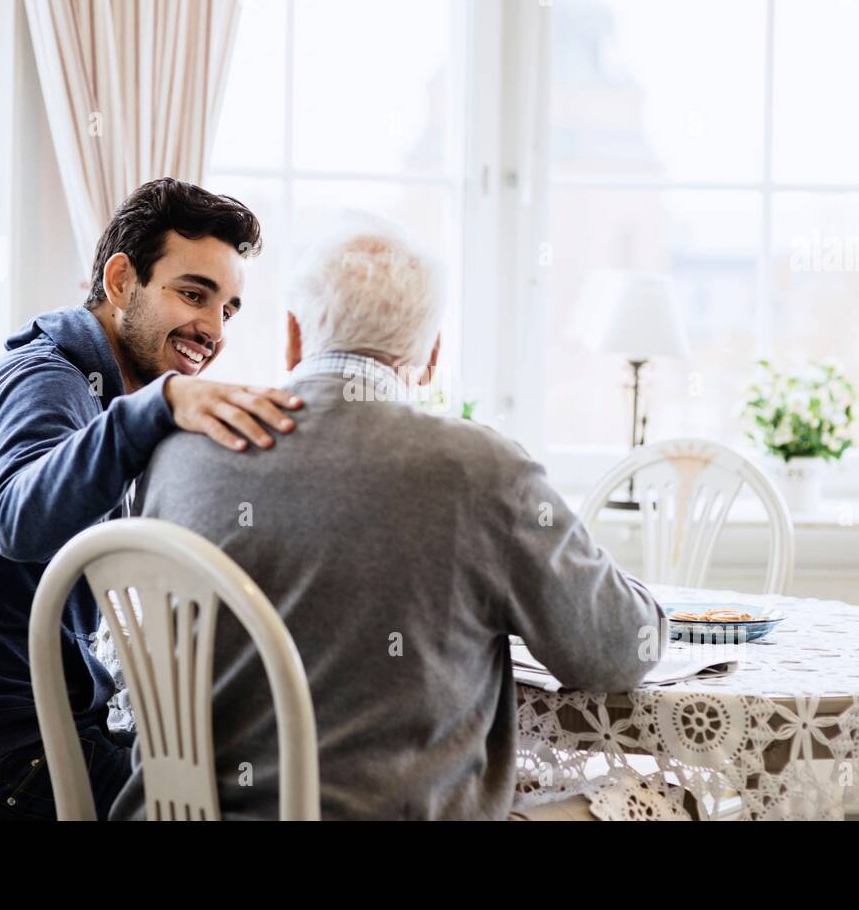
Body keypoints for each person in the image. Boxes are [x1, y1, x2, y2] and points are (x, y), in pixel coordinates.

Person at [110, 216, 663, 820]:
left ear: (293, 337)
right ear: (431, 356)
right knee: (658, 798)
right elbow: (615, 652)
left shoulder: (175, 450)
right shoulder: (482, 468)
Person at [0, 178, 302, 819]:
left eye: (228, 309)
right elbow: (17, 520)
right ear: (119, 281)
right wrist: (156, 407)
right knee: (232, 800)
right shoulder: (45, 377)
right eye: (193, 294)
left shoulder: (91, 389)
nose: (212, 329)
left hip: (8, 746)